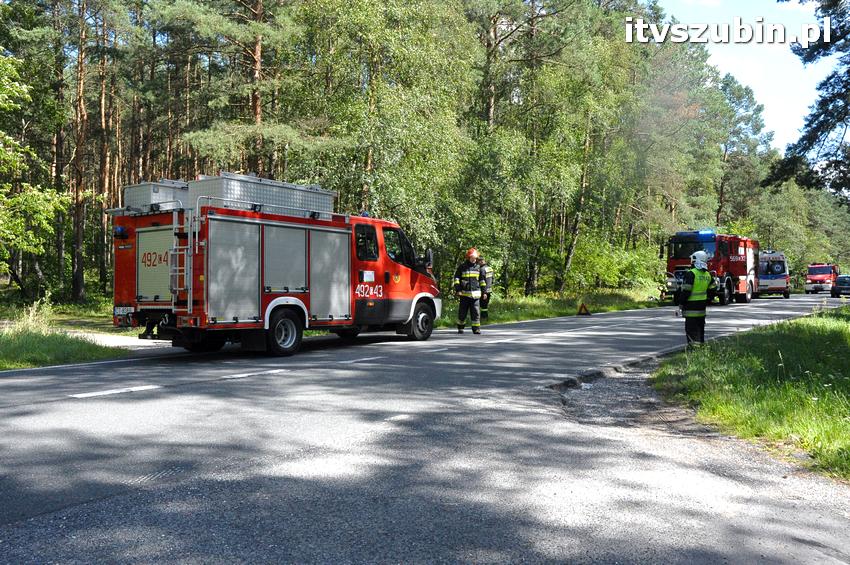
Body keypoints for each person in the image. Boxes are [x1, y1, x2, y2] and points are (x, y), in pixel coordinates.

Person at [676, 250, 716, 346]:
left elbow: (686, 291)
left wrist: (681, 303)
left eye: (692, 260)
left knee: (691, 331)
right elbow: (713, 289)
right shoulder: (708, 275)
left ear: (696, 261)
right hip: (702, 309)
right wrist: (707, 300)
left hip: (690, 308)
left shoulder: (691, 274)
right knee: (700, 330)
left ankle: (694, 350)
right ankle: (700, 348)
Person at [454, 248, 486, 334]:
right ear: (468, 257)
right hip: (464, 295)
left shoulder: (479, 268)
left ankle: (476, 329)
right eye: (472, 257)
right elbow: (456, 279)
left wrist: (484, 292)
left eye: (475, 258)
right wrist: (458, 290)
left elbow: (482, 281)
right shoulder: (462, 267)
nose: (474, 259)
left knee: (476, 313)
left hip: (475, 296)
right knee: (462, 313)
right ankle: (460, 328)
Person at [477, 257, 495, 321]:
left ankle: (483, 318)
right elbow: (493, 279)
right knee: (485, 305)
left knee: (482, 305)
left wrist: (484, 292)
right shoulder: (490, 268)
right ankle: (485, 317)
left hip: (483, 290)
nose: (479, 262)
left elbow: (482, 281)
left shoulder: (481, 270)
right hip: (489, 290)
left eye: (479, 261)